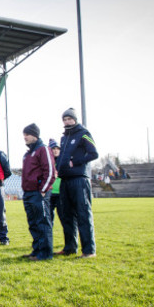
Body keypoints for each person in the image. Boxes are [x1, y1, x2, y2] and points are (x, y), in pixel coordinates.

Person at [56, 108, 99, 258]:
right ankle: (70, 247)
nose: (67, 121)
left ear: (75, 119)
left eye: (69, 119)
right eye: (64, 119)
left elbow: (94, 153)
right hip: (65, 180)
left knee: (83, 214)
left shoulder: (84, 133)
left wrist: (77, 162)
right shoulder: (64, 138)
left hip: (79, 179)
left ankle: (89, 250)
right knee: (67, 215)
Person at [21, 124, 56, 260]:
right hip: (28, 193)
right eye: (24, 134)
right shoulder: (27, 154)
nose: (25, 137)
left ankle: (45, 253)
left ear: (35, 135)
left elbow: (50, 172)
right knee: (33, 223)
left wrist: (43, 190)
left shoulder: (43, 150)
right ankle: (37, 250)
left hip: (38, 193)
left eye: (27, 134)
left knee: (42, 222)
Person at [49, 138, 62, 225]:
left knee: (65, 219)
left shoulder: (63, 161)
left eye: (57, 148)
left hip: (61, 193)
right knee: (49, 220)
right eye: (53, 148)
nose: (56, 150)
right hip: (49, 193)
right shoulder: (47, 162)